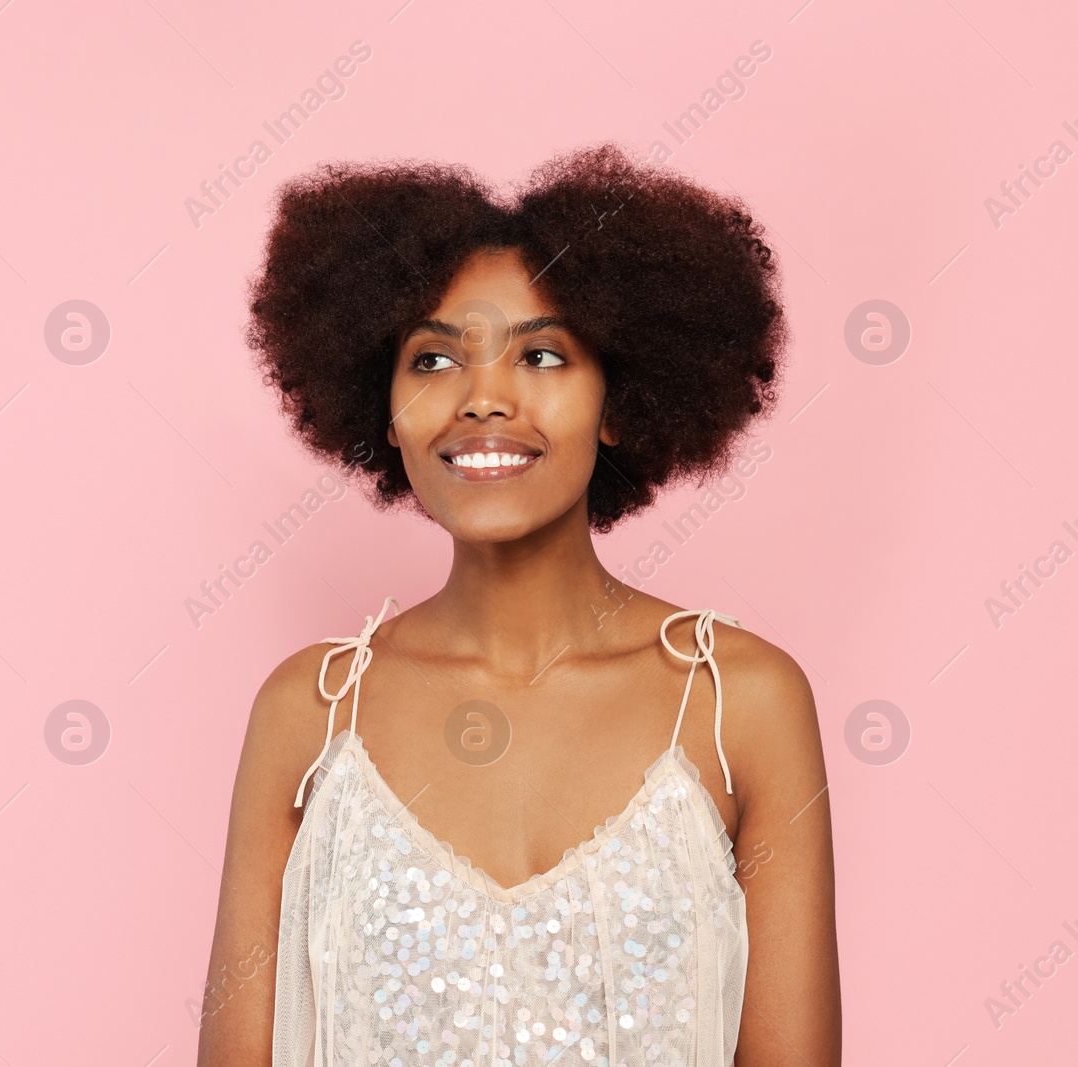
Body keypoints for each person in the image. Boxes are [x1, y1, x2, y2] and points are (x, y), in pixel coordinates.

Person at [197, 143, 839, 1066]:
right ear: (385, 414)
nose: (483, 399)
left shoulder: (743, 701)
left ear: (618, 402)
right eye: (432, 360)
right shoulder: (309, 713)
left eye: (540, 354)